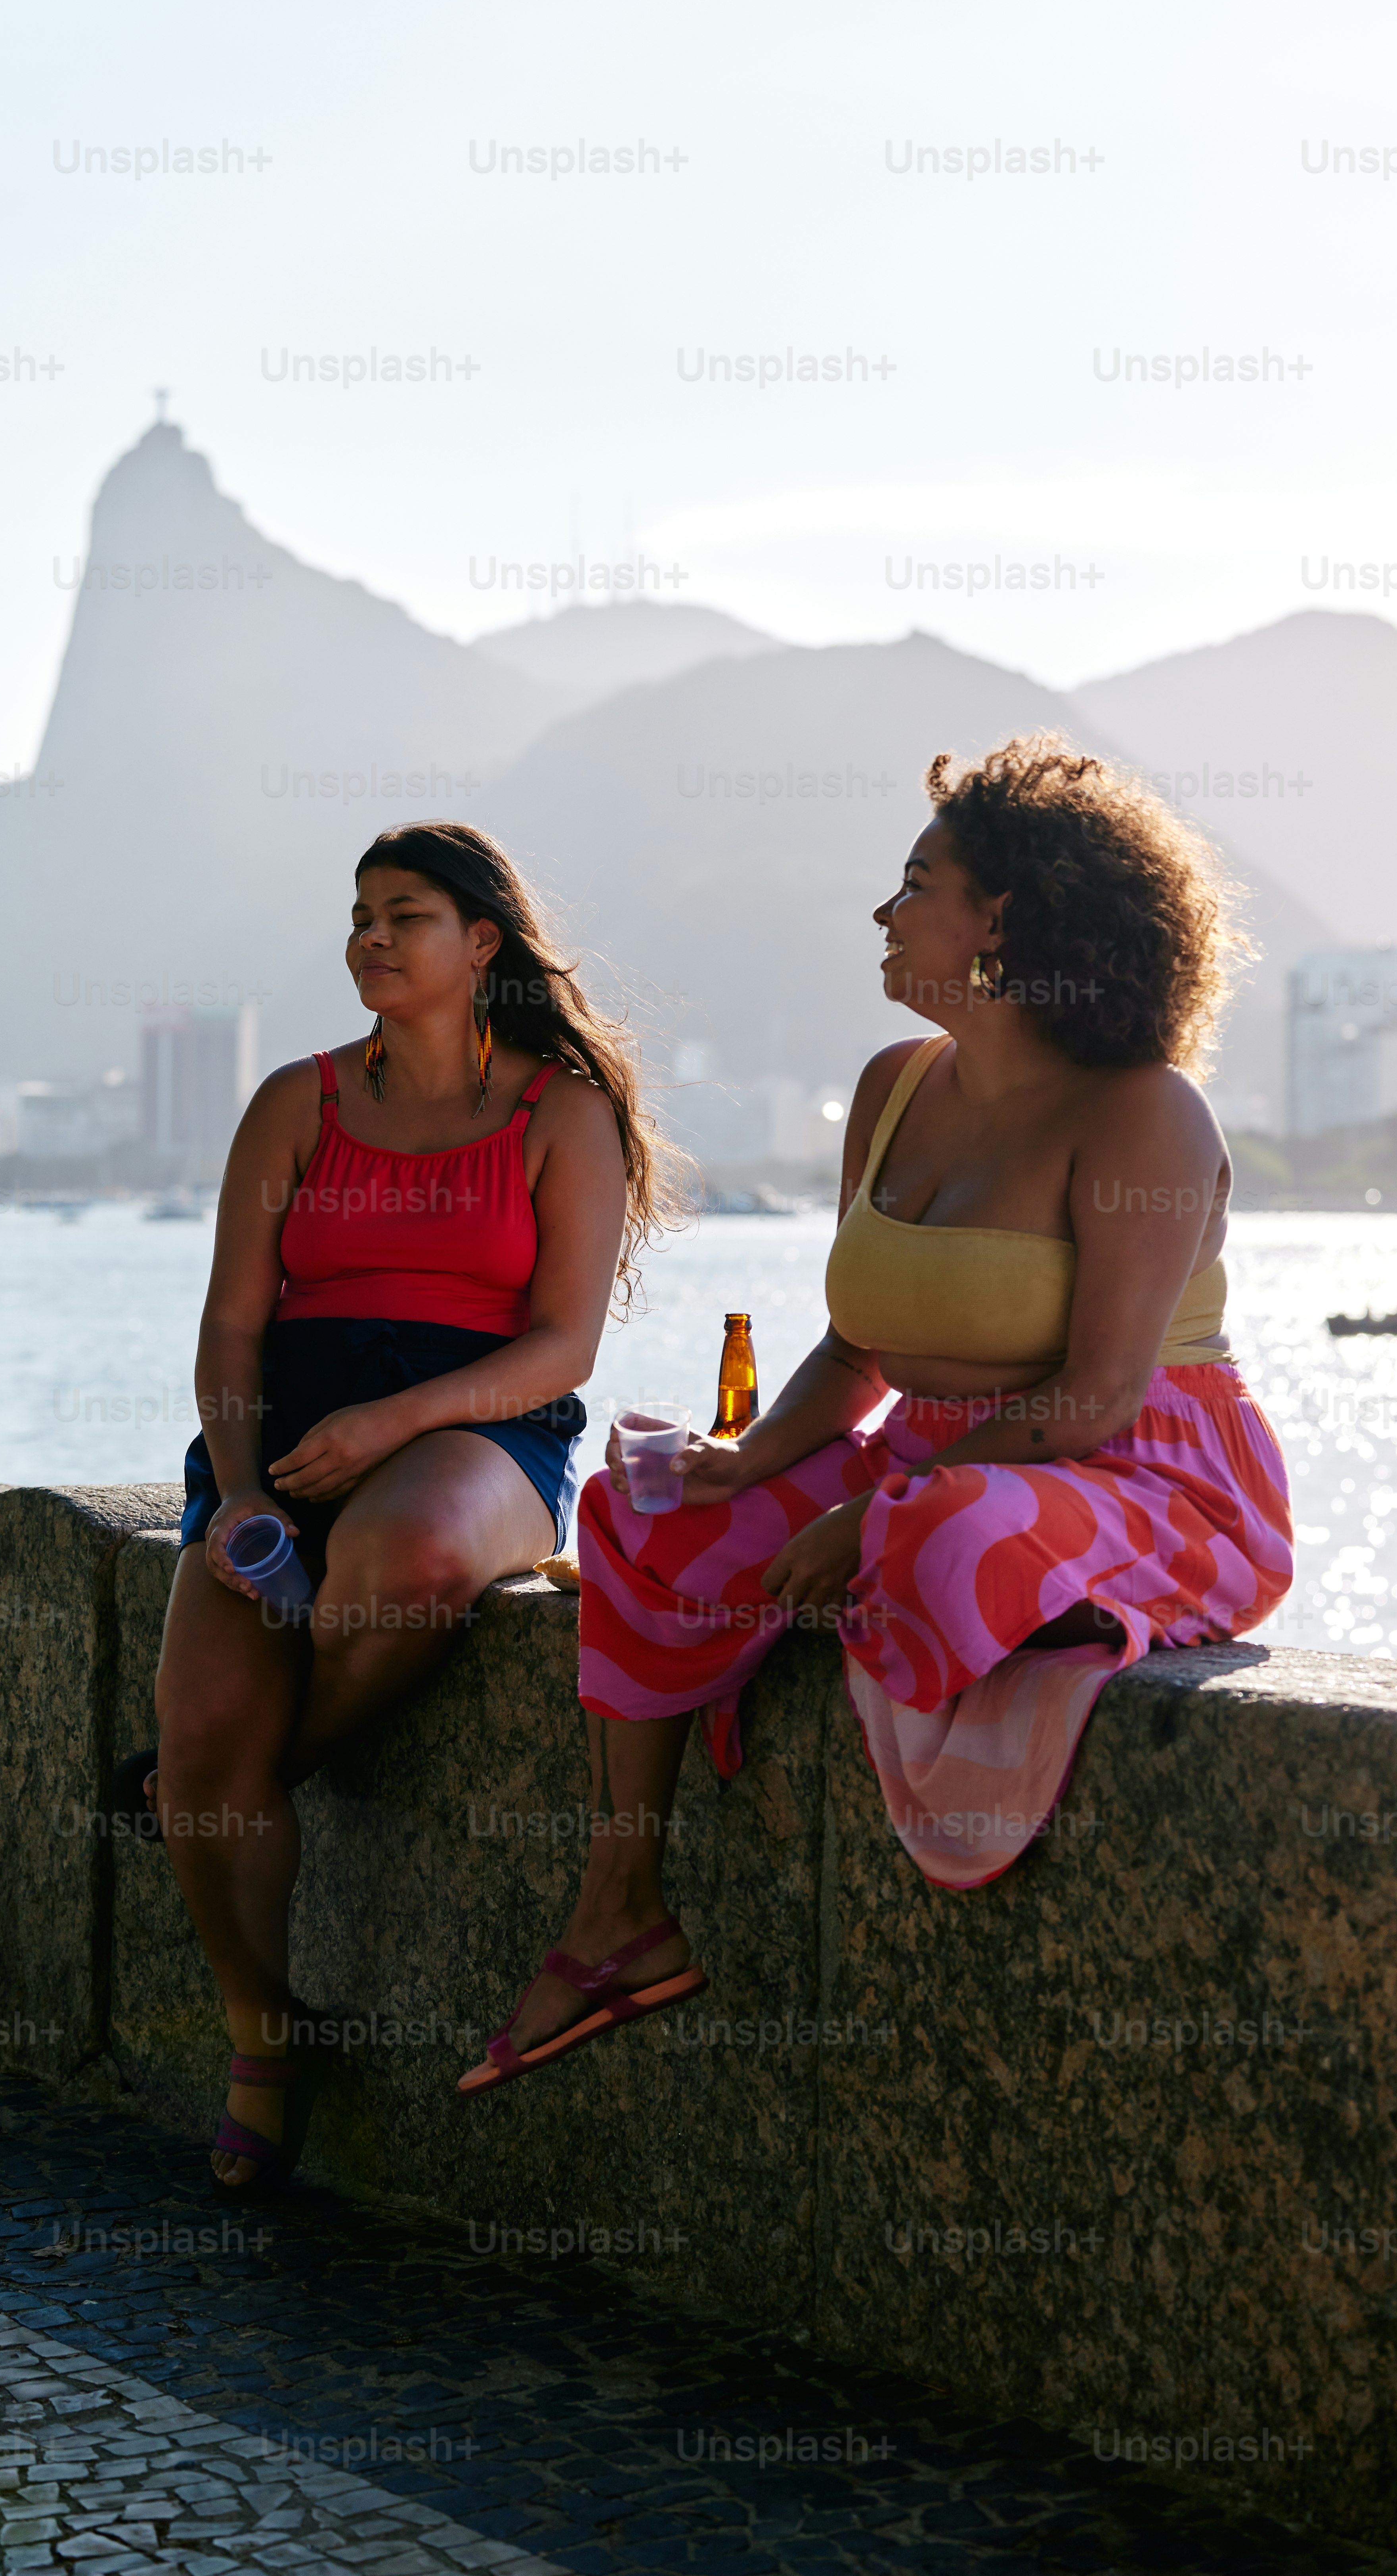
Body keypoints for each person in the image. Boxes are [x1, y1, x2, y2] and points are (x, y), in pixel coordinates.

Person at [459, 736, 1295, 2093]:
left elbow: (1095, 1396)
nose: (884, 914)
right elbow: (858, 1345)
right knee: (643, 1515)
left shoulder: (1148, 1115)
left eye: (917, 885)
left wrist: (869, 1515)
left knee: (948, 1533)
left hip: (1133, 1469)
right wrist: (753, 1466)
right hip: (930, 1457)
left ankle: (938, 1588)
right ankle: (620, 1912)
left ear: (1006, 919)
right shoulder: (894, 1086)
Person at [140, 823, 677, 2189]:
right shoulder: (296, 1100)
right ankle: (266, 2039)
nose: (371, 938)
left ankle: (228, 1785)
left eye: (407, 916)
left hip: (480, 1421)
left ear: (481, 944)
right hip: (288, 1436)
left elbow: (563, 1347)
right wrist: (245, 1489)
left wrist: (399, 1418)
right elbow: (231, 1328)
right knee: (202, 1716)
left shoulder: (561, 1110)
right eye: (361, 916)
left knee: (405, 1560)